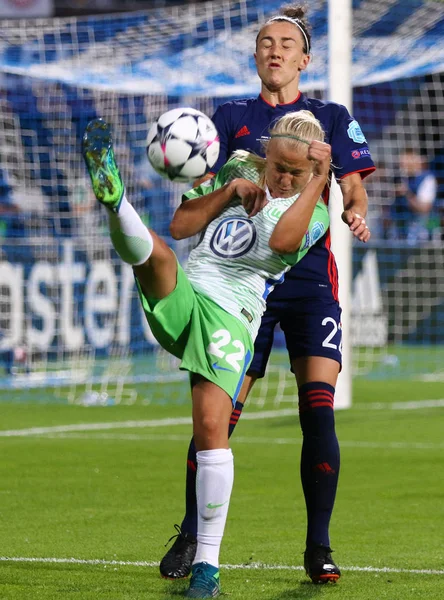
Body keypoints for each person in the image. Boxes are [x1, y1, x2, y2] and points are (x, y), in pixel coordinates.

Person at [159, 4, 375, 585]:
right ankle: (190, 534)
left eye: (286, 44)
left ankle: (319, 547)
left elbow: (353, 188)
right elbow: (205, 181)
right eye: (264, 43)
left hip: (306, 282)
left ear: (305, 59)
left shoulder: (331, 116)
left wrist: (354, 213)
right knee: (218, 415)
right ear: (255, 56)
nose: (274, 51)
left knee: (318, 409)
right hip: (237, 281)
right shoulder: (231, 116)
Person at [82, 111, 332, 598]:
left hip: (231, 317)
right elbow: (180, 225)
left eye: (294, 173)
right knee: (157, 254)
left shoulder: (314, 211)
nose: (281, 178)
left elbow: (280, 242)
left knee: (211, 430)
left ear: (311, 174)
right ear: (266, 154)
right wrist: (228, 193)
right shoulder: (238, 167)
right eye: (276, 166)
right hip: (191, 291)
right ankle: (115, 201)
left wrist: (318, 182)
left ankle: (207, 567)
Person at [388, 148, 437, 244]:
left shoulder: (427, 179)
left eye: (407, 162)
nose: (403, 165)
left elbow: (424, 209)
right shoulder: (399, 179)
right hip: (400, 230)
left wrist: (406, 193)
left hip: (423, 230)